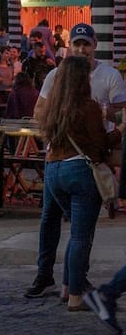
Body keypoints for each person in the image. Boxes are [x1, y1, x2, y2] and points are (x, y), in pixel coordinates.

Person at [33, 55, 121, 310]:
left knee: (75, 232)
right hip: (79, 173)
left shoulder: (52, 108)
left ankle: (66, 286)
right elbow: (100, 144)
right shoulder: (88, 107)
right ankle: (75, 296)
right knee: (82, 236)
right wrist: (120, 130)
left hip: (53, 172)